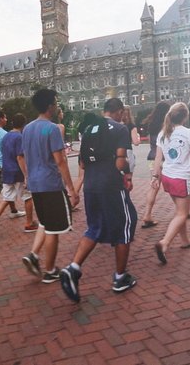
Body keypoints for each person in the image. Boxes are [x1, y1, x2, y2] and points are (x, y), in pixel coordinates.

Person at [59, 98, 138, 302]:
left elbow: (83, 164)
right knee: (124, 226)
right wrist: (127, 174)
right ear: (119, 111)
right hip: (111, 185)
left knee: (94, 227)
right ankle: (120, 277)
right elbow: (121, 161)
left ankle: (73, 267)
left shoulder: (88, 129)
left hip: (91, 186)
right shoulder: (120, 129)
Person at [20, 89, 79, 284]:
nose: (56, 106)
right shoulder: (52, 129)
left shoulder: (27, 129)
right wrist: (71, 189)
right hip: (51, 184)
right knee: (54, 229)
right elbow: (61, 161)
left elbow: (25, 156)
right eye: (54, 102)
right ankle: (50, 270)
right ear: (48, 106)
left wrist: (27, 176)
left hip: (35, 184)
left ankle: (33, 255)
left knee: (45, 222)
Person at [150, 103, 190, 266]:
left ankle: (185, 240)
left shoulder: (163, 133)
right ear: (185, 116)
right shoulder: (189, 133)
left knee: (180, 211)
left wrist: (155, 176)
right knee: (183, 214)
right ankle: (165, 243)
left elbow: (158, 158)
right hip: (181, 178)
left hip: (167, 177)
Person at [0, 113, 37, 238]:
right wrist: (26, 175)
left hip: (6, 171)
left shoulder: (6, 135)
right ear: (23, 125)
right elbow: (20, 157)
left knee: (7, 198)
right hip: (17, 172)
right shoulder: (20, 137)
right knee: (28, 196)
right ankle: (29, 223)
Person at [139, 102, 170, 228]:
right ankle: (183, 210)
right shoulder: (166, 126)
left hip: (152, 158)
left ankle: (147, 214)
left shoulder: (152, 124)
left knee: (154, 186)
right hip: (164, 159)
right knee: (175, 185)